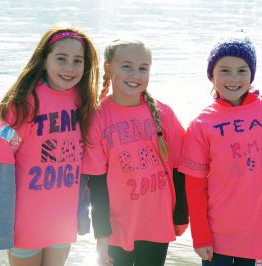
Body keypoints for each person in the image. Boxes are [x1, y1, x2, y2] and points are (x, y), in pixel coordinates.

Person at [178, 31, 262, 266]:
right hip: (216, 237)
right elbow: (194, 185)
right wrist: (200, 235)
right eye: (224, 70)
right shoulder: (202, 124)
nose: (233, 78)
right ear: (211, 75)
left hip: (259, 235)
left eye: (242, 70)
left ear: (251, 74)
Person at [0, 24, 99, 266]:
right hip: (25, 224)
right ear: (44, 60)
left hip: (61, 221)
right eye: (61, 58)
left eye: (77, 60)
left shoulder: (82, 103)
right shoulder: (23, 105)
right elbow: (2, 160)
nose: (70, 68)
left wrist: (82, 215)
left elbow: (86, 165)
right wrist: (1, 228)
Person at [81, 38, 189, 266]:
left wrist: (180, 214)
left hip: (158, 221)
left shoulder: (164, 114)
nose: (136, 74)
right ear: (109, 68)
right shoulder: (98, 118)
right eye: (127, 66)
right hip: (117, 226)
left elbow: (181, 167)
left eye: (143, 68)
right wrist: (102, 235)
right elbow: (97, 182)